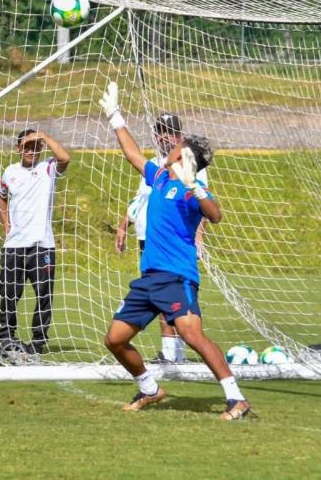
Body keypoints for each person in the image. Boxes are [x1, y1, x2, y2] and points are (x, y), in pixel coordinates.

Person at [99, 82, 252, 421]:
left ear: (184, 156)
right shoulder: (161, 179)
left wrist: (195, 187)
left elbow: (215, 216)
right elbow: (133, 155)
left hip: (177, 277)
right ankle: (150, 388)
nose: (168, 147)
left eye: (176, 146)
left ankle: (236, 398)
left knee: (192, 335)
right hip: (149, 278)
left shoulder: (188, 188)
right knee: (115, 339)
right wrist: (114, 117)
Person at [115, 113, 207, 364]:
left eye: (170, 132)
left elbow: (204, 207)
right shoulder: (159, 168)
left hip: (173, 243)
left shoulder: (190, 167)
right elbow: (139, 199)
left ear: (180, 137)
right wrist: (124, 224)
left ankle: (178, 354)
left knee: (174, 299)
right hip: (148, 236)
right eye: (160, 131)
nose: (165, 136)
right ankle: (169, 353)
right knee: (157, 297)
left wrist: (199, 237)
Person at [0, 129, 70, 357]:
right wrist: (6, 224)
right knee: (9, 294)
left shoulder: (47, 168)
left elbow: (65, 158)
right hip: (14, 246)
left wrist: (43, 136)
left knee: (43, 295)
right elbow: (2, 198)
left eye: (35, 146)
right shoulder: (10, 172)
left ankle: (38, 341)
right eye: (26, 146)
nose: (31, 150)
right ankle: (7, 337)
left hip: (41, 245)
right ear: (18, 149)